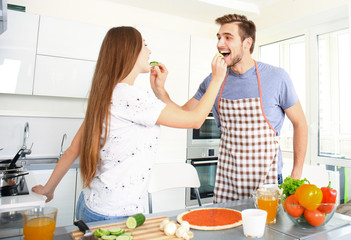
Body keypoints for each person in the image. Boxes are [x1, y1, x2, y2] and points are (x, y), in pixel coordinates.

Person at [32, 26, 227, 222]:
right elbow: (194, 120)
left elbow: (74, 148)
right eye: (145, 45)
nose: (149, 51)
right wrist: (217, 79)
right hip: (115, 215)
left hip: (90, 205)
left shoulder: (106, 94)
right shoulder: (133, 98)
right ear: (130, 51)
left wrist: (48, 189)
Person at [154, 14, 308, 203]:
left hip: (267, 182)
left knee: (268, 232)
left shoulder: (276, 77)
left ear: (247, 42)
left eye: (228, 37)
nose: (220, 44)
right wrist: (161, 91)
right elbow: (184, 115)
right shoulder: (214, 80)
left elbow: (300, 123)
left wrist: (297, 171)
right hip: (228, 181)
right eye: (219, 37)